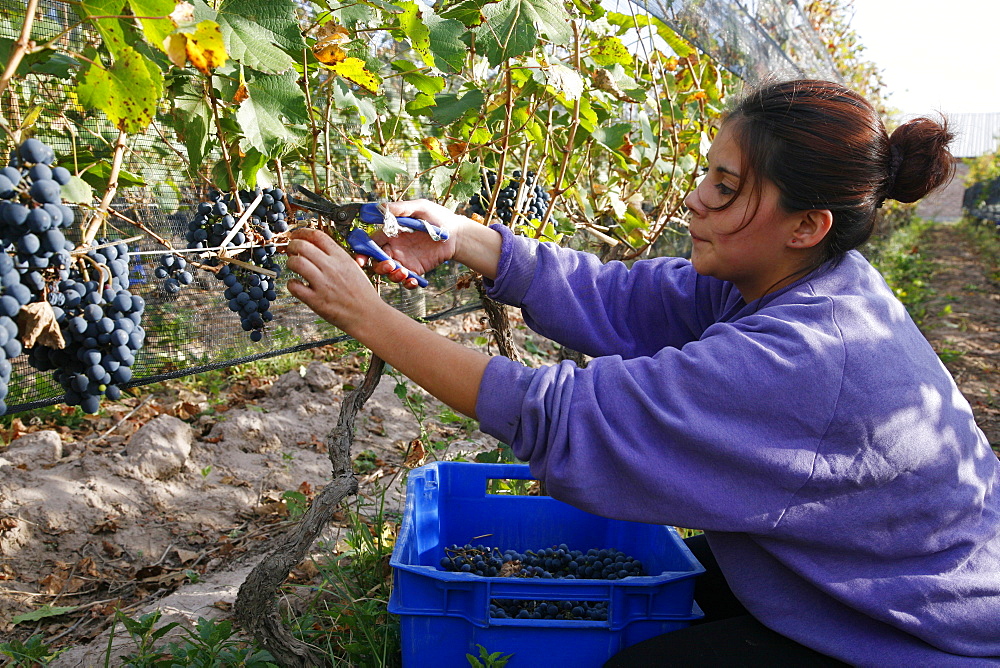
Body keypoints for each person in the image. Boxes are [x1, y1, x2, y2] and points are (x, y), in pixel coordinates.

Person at [285, 79, 1000, 666]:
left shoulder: (805, 356)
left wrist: (372, 319)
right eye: (708, 175)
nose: (695, 199)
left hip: (924, 638)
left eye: (725, 187)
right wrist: (464, 235)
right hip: (880, 577)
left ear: (806, 224)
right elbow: (628, 298)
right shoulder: (801, 276)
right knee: (679, 583)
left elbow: (563, 416)